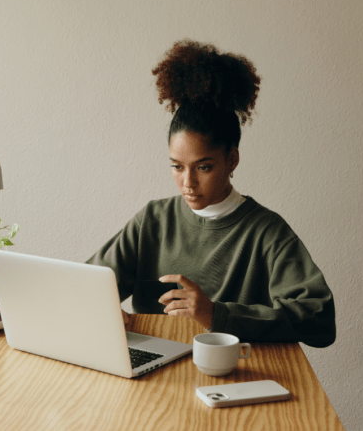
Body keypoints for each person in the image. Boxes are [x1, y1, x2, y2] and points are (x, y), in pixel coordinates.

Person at [87, 40, 335, 348]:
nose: (187, 182)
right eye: (177, 167)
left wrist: (216, 314)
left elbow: (319, 319)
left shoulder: (266, 232)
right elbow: (88, 284)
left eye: (203, 167)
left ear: (231, 160)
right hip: (151, 369)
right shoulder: (153, 220)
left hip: (232, 373)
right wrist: (102, 307)